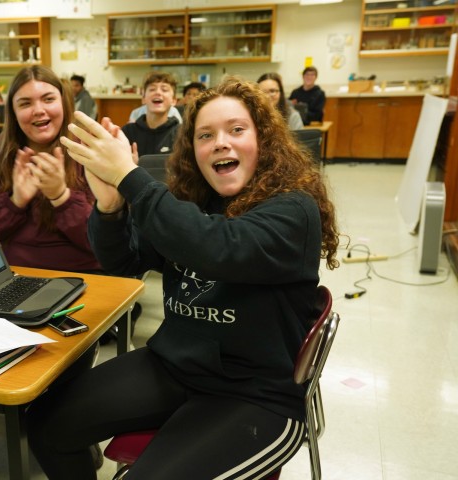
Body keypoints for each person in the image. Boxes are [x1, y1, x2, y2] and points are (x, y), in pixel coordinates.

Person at [26, 76, 340, 479]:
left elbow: (217, 247)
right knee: (46, 423)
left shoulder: (294, 210)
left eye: (237, 130)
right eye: (205, 135)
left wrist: (129, 175)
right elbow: (125, 262)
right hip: (174, 367)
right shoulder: (191, 203)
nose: (221, 142)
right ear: (193, 151)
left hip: (255, 396)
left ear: (265, 142)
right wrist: (109, 205)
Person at [0, 67, 103, 451]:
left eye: (48, 99)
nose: (37, 111)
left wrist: (61, 196)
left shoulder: (88, 150)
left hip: (80, 288)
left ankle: (68, 420)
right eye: (25, 102)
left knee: (54, 393)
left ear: (65, 103)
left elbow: (107, 245)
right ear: (12, 110)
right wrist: (15, 201)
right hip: (4, 282)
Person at [122, 71, 181, 158]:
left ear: (174, 100)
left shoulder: (181, 133)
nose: (158, 92)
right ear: (143, 99)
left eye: (164, 90)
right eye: (152, 89)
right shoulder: (128, 131)